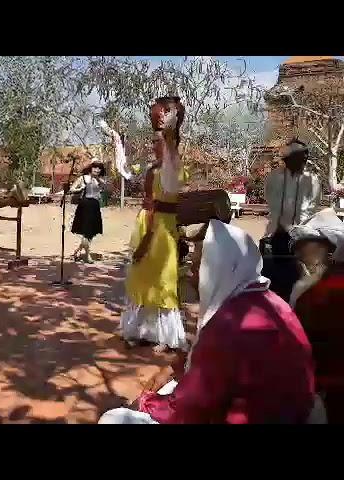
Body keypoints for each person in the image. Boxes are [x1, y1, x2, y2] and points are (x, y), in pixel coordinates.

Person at [99, 220, 317, 424]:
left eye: (198, 268)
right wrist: (175, 368)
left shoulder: (227, 325)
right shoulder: (271, 301)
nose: (192, 276)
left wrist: (145, 403)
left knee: (113, 418)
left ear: (222, 270)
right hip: (292, 411)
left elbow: (189, 408)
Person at [117, 97, 188, 353]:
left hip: (164, 229)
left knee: (162, 279)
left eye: (159, 142)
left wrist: (171, 125)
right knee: (139, 277)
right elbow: (125, 171)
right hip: (146, 223)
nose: (154, 145)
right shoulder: (150, 168)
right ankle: (138, 329)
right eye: (153, 141)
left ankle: (165, 336)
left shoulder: (174, 167)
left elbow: (171, 170)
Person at [290, 208, 344, 423]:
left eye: (305, 247)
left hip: (327, 393)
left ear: (328, 249)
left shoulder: (315, 294)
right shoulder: (309, 289)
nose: (299, 255)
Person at [262, 139, 321, 301]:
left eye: (304, 157)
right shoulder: (274, 178)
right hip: (276, 236)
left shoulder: (312, 181)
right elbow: (272, 204)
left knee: (299, 281)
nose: (302, 161)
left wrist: (296, 230)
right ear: (288, 159)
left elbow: (310, 209)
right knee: (273, 281)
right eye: (298, 157)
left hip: (301, 237)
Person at [70, 158, 107, 263]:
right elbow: (72, 189)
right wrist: (80, 188)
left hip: (95, 206)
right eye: (95, 167)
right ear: (91, 167)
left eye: (99, 168)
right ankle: (87, 255)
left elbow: (105, 187)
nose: (97, 170)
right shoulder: (83, 178)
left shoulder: (100, 180)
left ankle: (77, 251)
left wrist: (98, 179)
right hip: (85, 204)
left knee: (90, 233)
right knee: (86, 231)